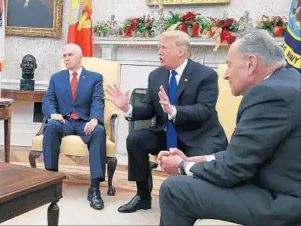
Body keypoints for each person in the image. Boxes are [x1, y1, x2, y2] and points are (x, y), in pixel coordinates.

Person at [158, 29, 301, 226]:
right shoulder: (289, 81)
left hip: (283, 201)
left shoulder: (269, 94)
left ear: (250, 64)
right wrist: (201, 159)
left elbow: (233, 169)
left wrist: (183, 166)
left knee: (174, 190)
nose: (225, 75)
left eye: (229, 65)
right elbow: (247, 154)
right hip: (280, 185)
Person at [105, 30, 228, 213]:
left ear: (182, 51)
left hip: (199, 135)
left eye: (164, 48)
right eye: (158, 47)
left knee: (197, 169)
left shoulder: (206, 75)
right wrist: (127, 108)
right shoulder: (156, 75)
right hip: (167, 133)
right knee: (136, 139)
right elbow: (148, 108)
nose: (159, 52)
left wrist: (173, 110)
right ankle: (143, 196)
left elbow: (204, 110)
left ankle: (192, 205)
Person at [42, 43, 106, 210]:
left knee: (99, 131)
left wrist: (94, 119)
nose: (67, 58)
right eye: (64, 56)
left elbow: (97, 101)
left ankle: (95, 189)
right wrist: (52, 113)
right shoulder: (57, 77)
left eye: (70, 55)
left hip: (85, 122)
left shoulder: (95, 77)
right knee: (51, 126)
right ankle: (51, 183)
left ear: (80, 56)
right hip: (64, 121)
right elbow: (48, 100)